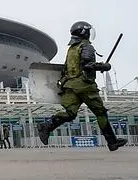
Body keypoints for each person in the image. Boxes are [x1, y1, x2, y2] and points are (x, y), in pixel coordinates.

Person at [37, 21, 127, 151]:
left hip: (69, 86)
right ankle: (112, 142)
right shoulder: (86, 46)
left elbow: (66, 68)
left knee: (70, 113)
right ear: (85, 33)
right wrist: (104, 66)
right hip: (84, 86)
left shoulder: (71, 49)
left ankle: (47, 126)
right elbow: (87, 65)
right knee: (100, 112)